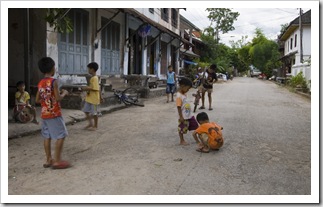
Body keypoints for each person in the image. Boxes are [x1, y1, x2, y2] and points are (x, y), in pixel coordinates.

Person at [35, 57, 70, 169]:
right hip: (54, 113)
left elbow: (37, 100)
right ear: (52, 68)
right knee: (61, 135)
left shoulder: (40, 83)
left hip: (44, 114)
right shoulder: (54, 81)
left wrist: (46, 100)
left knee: (47, 136)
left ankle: (49, 159)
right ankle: (57, 161)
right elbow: (58, 98)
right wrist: (64, 93)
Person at [176, 77, 198, 145]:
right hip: (183, 116)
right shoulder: (179, 96)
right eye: (187, 89)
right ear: (183, 86)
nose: (188, 90)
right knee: (182, 128)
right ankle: (181, 140)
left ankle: (198, 138)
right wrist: (181, 117)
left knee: (196, 126)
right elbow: (179, 107)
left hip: (189, 115)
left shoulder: (184, 94)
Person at [81, 62, 101, 131]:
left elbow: (95, 88)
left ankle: (95, 125)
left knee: (94, 113)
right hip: (89, 98)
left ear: (92, 69)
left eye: (89, 69)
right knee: (86, 111)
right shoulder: (93, 78)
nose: (88, 70)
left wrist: (85, 88)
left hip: (94, 99)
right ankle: (90, 123)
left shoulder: (95, 78)